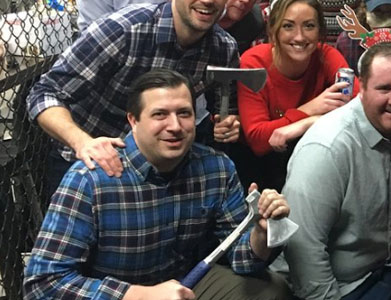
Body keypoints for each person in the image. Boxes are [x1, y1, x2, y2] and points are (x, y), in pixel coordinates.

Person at [23, 69, 293, 300]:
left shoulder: (216, 169)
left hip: (183, 286)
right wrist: (139, 295)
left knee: (271, 289)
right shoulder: (90, 180)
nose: (175, 126)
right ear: (133, 120)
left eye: (184, 113)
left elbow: (242, 259)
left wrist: (261, 233)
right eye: (160, 114)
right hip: (116, 295)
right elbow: (42, 283)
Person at [27, 0, 242, 200]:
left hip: (160, 168)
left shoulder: (223, 49)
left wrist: (225, 124)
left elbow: (223, 109)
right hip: (91, 164)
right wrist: (83, 143)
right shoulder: (123, 30)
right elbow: (44, 94)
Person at [275, 42, 391, 300]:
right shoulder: (327, 148)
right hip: (339, 282)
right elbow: (303, 247)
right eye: (384, 88)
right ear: (361, 89)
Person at [236, 0, 357, 191]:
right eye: (288, 26)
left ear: (319, 31)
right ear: (273, 30)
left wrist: (306, 123)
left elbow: (361, 108)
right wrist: (311, 109)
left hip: (315, 162)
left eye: (309, 26)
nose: (299, 36)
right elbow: (258, 139)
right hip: (262, 171)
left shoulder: (326, 56)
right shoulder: (253, 62)